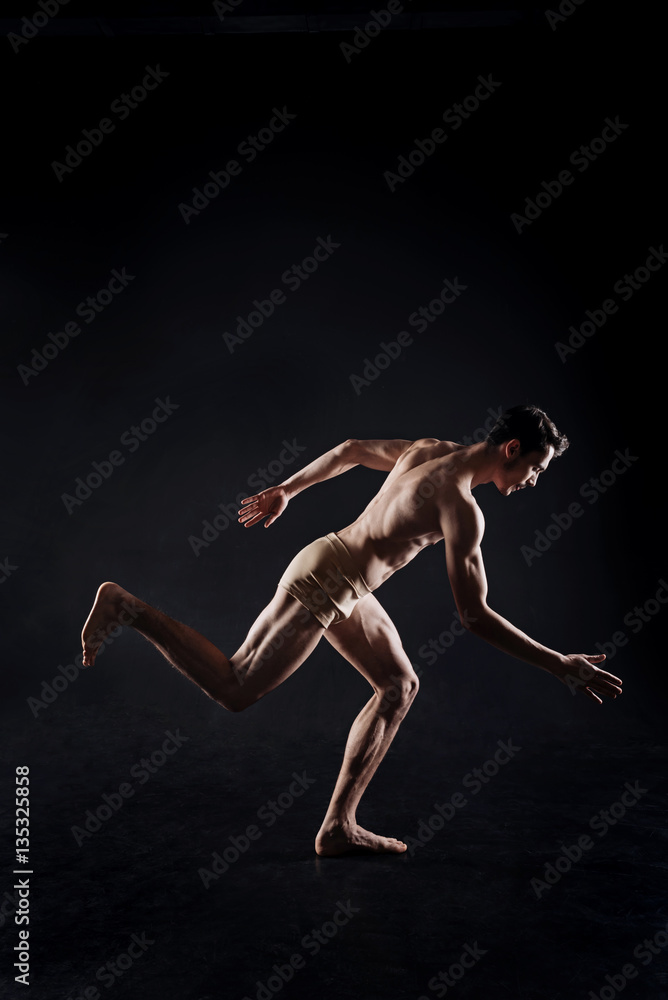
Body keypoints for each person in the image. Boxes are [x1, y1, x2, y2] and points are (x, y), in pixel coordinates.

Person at [81, 404, 623, 857]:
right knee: (234, 687)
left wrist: (288, 489)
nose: (532, 480)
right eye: (536, 467)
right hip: (325, 581)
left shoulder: (431, 448)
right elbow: (474, 615)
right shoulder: (461, 504)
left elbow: (350, 449)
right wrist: (560, 665)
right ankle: (127, 607)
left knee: (398, 685)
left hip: (340, 576)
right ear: (511, 449)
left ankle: (338, 826)